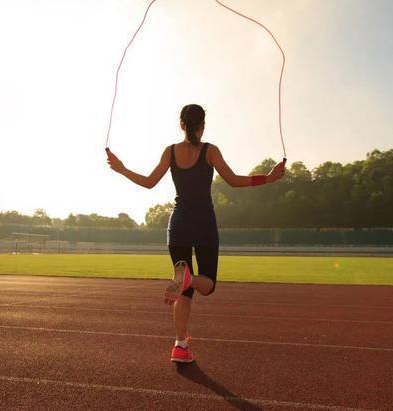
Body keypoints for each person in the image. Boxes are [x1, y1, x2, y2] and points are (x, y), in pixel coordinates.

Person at [105, 104, 285, 363]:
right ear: (202, 126)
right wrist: (267, 179)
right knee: (207, 284)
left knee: (184, 291)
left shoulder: (170, 152)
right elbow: (234, 180)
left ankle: (180, 345)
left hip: (177, 225)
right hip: (204, 225)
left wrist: (121, 168)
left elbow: (148, 182)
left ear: (181, 125)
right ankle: (188, 281)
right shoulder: (210, 151)